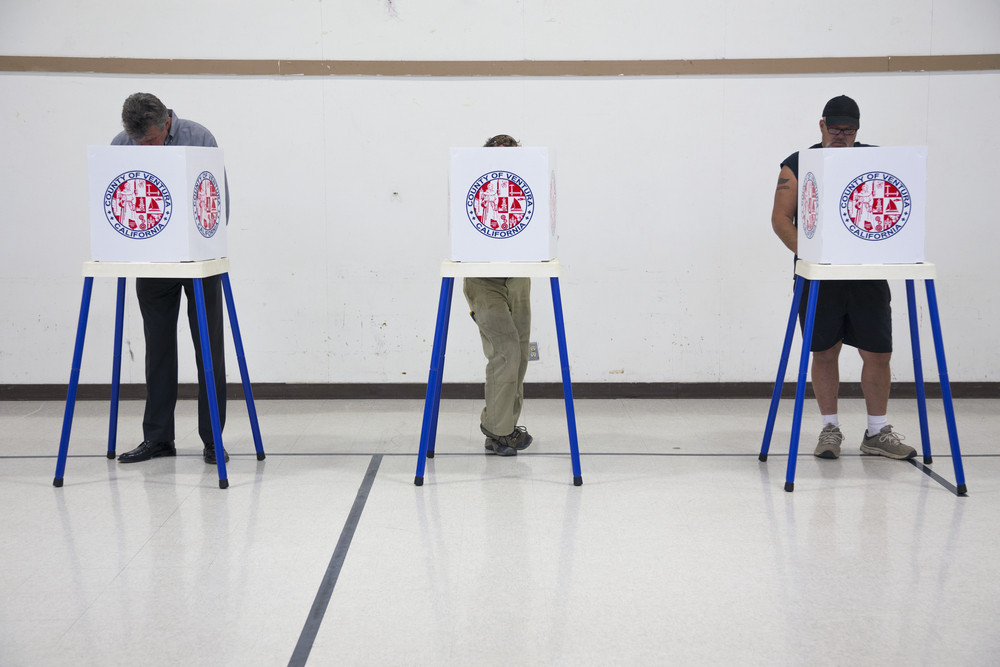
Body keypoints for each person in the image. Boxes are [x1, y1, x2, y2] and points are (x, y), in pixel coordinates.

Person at [770, 95, 916, 461]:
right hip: (819, 276)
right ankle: (830, 428)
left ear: (857, 130)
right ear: (821, 125)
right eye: (834, 128)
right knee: (823, 351)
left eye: (848, 130)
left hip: (866, 274)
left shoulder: (874, 160)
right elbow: (780, 219)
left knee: (879, 352)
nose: (840, 136)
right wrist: (811, 257)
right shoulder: (797, 163)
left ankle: (878, 432)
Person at [112, 92, 230, 465]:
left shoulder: (199, 138)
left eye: (149, 141)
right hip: (153, 262)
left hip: (199, 262)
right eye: (137, 142)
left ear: (166, 123)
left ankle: (213, 440)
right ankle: (158, 438)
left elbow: (218, 202)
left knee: (208, 348)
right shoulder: (121, 144)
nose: (143, 148)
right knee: (157, 349)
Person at [463, 133, 534, 457]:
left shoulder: (527, 181)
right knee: (505, 351)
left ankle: (502, 429)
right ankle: (498, 430)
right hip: (483, 279)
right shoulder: (471, 181)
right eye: (497, 153)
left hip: (518, 276)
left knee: (518, 356)